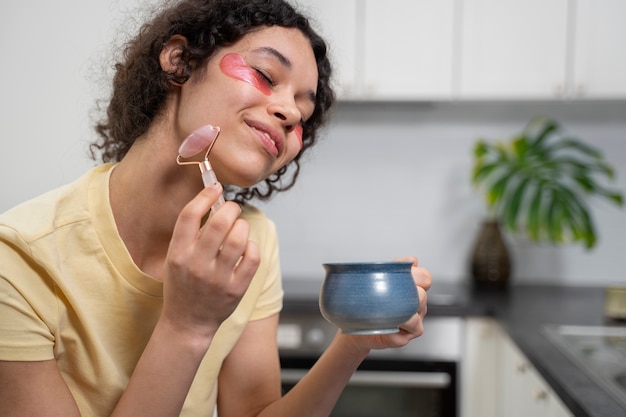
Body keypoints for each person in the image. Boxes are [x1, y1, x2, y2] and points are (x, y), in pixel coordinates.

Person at [0, 0, 431, 416]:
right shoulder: (18, 261)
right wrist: (187, 326)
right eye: (265, 74)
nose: (287, 113)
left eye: (302, 113)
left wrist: (355, 341)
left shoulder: (250, 244)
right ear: (179, 60)